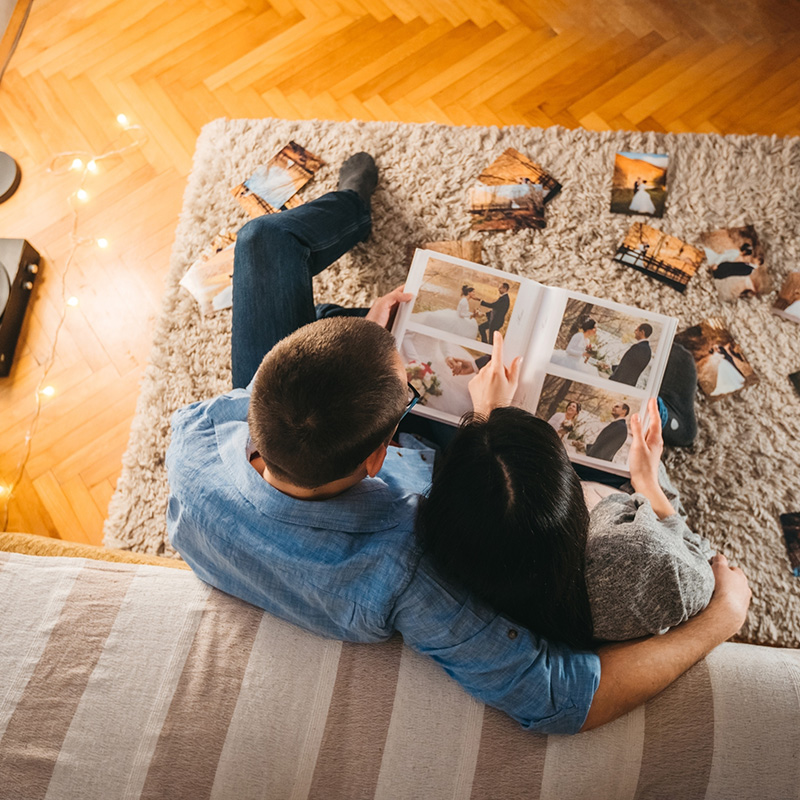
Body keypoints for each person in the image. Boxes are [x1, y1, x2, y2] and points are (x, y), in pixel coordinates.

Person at [167, 152, 751, 736]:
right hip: (444, 476)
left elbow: (274, 402)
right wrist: (720, 619)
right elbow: (555, 697)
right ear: (382, 454)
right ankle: (670, 414)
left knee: (264, 236)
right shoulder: (405, 567)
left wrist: (365, 341)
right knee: (661, 385)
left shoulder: (195, 435)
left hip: (296, 441)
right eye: (406, 385)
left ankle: (350, 214)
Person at [416, 343, 748, 647]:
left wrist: (491, 413)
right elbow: (699, 560)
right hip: (632, 485)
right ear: (573, 502)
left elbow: (496, 489)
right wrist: (648, 483)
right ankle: (673, 420)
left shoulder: (454, 544)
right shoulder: (641, 559)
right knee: (679, 360)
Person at [413, 284, 479, 339]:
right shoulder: (464, 301)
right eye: (473, 292)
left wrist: (472, 314)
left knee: (472, 323)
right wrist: (472, 315)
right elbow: (461, 314)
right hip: (458, 318)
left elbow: (463, 312)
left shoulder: (465, 300)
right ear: (469, 293)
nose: (474, 293)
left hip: (458, 316)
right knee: (471, 325)